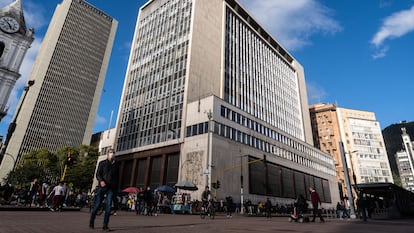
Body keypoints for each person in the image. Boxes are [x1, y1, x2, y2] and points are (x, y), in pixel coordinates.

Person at [89, 149, 119, 231]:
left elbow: (117, 177)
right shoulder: (102, 163)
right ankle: (91, 221)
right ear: (107, 154)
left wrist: (116, 188)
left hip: (111, 188)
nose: (112, 154)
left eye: (113, 152)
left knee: (108, 207)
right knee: (97, 205)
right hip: (102, 187)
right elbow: (98, 174)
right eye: (110, 152)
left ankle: (105, 226)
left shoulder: (116, 165)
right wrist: (101, 181)